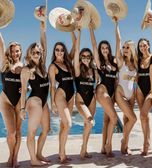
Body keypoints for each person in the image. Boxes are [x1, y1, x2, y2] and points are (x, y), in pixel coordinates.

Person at [20, 21, 50, 166]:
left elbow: (44, 44)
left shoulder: (43, 67)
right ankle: (33, 160)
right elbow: (23, 91)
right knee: (31, 132)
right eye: (33, 53)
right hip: (34, 102)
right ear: (29, 55)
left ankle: (38, 154)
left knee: (46, 129)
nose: (36, 54)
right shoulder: (27, 70)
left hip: (44, 102)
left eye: (38, 52)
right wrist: (21, 109)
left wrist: (42, 29)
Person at [89, 21, 118, 157]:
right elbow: (94, 45)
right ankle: (109, 145)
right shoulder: (99, 62)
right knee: (114, 118)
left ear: (109, 48)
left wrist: (116, 24)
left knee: (107, 121)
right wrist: (91, 29)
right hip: (102, 91)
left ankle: (102, 147)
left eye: (106, 48)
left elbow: (119, 42)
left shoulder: (114, 61)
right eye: (102, 48)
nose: (104, 50)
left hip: (111, 93)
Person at [48, 33, 75, 163]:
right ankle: (62, 153)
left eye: (62, 50)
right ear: (54, 51)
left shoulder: (68, 62)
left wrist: (71, 29)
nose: (59, 52)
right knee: (68, 124)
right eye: (57, 49)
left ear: (64, 51)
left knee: (64, 125)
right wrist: (52, 102)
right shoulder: (53, 66)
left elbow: (75, 44)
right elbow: (52, 86)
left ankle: (61, 152)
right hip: (61, 95)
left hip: (71, 95)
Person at [74, 25, 99, 159]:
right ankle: (83, 149)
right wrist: (79, 33)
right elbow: (77, 49)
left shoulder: (94, 71)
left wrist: (91, 30)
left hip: (92, 99)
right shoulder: (78, 70)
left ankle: (84, 149)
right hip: (80, 100)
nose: (86, 58)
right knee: (90, 121)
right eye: (83, 56)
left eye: (88, 56)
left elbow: (95, 48)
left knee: (87, 126)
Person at [114, 17, 138, 155]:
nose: (124, 49)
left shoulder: (134, 65)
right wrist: (116, 24)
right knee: (133, 119)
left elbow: (134, 82)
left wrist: (134, 96)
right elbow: (118, 41)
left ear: (132, 49)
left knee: (126, 119)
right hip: (121, 94)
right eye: (124, 47)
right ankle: (124, 141)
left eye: (127, 47)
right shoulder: (121, 62)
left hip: (131, 96)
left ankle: (125, 146)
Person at [0, 33, 23, 167]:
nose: (15, 53)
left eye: (17, 51)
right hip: (6, 101)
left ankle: (15, 158)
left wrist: (28, 88)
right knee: (12, 132)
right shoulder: (5, 64)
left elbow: (29, 83)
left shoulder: (24, 67)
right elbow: (1, 43)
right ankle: (10, 155)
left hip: (19, 101)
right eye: (13, 51)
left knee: (19, 131)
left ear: (20, 51)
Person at [136, 38, 152, 156]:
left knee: (143, 115)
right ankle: (147, 141)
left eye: (144, 45)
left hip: (151, 90)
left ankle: (146, 144)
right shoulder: (138, 59)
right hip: (140, 89)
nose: (142, 47)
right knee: (144, 117)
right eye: (140, 46)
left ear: (148, 45)